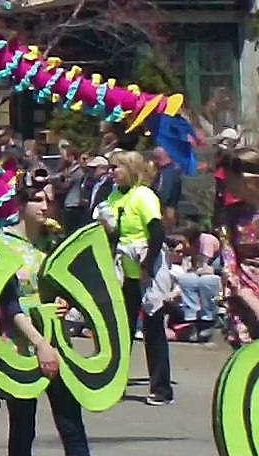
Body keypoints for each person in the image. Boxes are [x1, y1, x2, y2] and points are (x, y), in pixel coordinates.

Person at [0, 187, 90, 456]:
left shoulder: (54, 242)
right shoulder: (3, 243)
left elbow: (68, 284)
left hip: (58, 339)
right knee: (23, 427)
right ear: (21, 203)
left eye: (48, 200)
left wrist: (66, 301)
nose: (44, 206)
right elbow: (7, 303)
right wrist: (39, 344)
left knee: (71, 422)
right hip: (21, 342)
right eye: (36, 199)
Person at [103, 150, 173, 405]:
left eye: (116, 168)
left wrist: (146, 265)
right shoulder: (113, 197)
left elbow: (156, 233)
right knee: (122, 330)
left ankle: (162, 389)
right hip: (126, 270)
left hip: (147, 265)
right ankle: (114, 383)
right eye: (110, 168)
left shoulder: (144, 196)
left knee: (154, 329)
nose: (112, 172)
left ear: (131, 169)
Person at [217, 148, 259, 346]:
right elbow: (228, 255)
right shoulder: (231, 215)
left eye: (230, 178)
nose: (225, 184)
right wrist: (240, 289)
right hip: (242, 294)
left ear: (248, 181)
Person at [151, 147, 183, 231]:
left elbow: (163, 193)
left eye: (154, 158)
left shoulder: (166, 172)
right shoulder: (175, 168)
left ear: (158, 158)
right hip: (173, 210)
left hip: (167, 212)